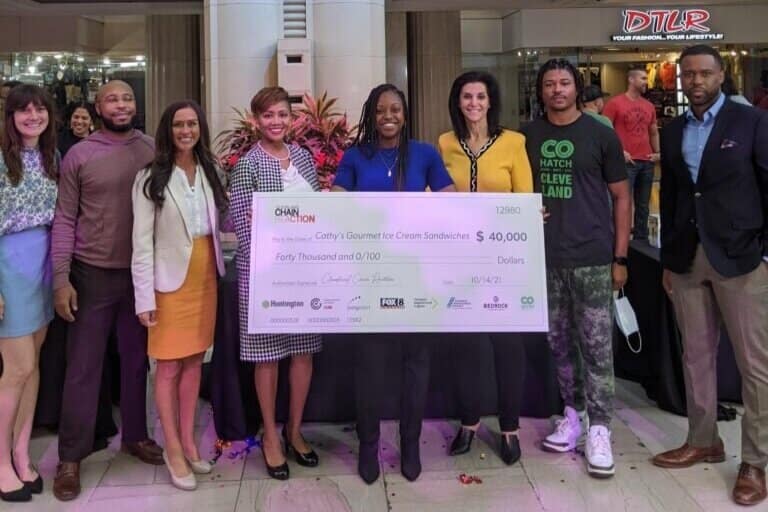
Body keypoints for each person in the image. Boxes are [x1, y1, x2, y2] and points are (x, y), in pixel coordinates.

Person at [651, 44, 768, 507]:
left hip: (741, 259)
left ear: (721, 76)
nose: (696, 81)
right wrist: (668, 260)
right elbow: (674, 195)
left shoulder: (751, 122)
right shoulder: (673, 129)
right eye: (689, 75)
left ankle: (755, 462)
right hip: (687, 257)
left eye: (704, 73)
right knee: (695, 357)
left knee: (754, 365)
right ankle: (703, 440)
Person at [332, 83, 456, 484]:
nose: (388, 116)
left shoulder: (424, 153)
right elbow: (336, 202)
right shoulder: (355, 156)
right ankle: (369, 445)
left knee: (416, 365)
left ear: (405, 114)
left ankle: (411, 443)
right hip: (368, 276)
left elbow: (452, 200)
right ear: (371, 114)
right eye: (381, 110)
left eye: (396, 109)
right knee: (369, 367)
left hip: (417, 276)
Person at [51, 80, 162, 501]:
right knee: (83, 368)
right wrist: (61, 279)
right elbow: (64, 219)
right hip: (91, 274)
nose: (121, 104)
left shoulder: (151, 149)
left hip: (139, 275)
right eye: (112, 99)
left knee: (136, 362)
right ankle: (70, 456)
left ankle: (135, 435)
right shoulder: (80, 155)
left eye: (127, 98)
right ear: (98, 107)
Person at [522, 58, 631, 478]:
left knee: (597, 348)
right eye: (549, 84)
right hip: (546, 259)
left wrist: (620, 258)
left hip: (592, 258)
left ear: (577, 88)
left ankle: (600, 429)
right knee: (560, 346)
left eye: (564, 83)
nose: (557, 90)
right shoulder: (527, 136)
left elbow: (622, 197)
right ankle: (574, 416)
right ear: (541, 91)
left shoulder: (600, 135)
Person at [437, 70, 533, 465]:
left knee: (508, 345)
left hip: (503, 260)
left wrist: (530, 217)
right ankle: (470, 421)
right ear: (457, 103)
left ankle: (509, 427)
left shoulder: (513, 142)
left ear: (491, 100)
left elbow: (525, 198)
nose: (474, 103)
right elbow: (435, 196)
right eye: (467, 97)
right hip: (459, 260)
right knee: (467, 346)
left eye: (480, 96)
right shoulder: (445, 143)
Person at [132, 101, 227, 490]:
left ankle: (188, 441)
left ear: (200, 128)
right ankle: (172, 448)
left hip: (205, 277)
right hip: (168, 283)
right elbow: (141, 242)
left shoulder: (210, 169)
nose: (186, 131)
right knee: (168, 367)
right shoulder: (149, 177)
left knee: (194, 362)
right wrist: (144, 298)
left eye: (192, 124)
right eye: (178, 125)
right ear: (167, 130)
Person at [229, 87, 322, 481]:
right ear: (256, 120)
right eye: (268, 115)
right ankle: (270, 434)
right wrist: (273, 237)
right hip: (263, 274)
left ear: (292, 118)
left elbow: (317, 213)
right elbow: (243, 225)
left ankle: (294, 430)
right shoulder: (248, 165)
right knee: (267, 356)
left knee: (303, 353)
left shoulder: (303, 158)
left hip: (305, 273)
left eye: (282, 114)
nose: (276, 122)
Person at [0, 84, 57, 503]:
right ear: (11, 116)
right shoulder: (2, 159)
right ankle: (1, 459)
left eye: (40, 109)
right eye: (24, 110)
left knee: (33, 366)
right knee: (15, 370)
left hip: (44, 266)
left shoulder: (53, 157)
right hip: (9, 266)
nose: (33, 116)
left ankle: (21, 451)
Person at [602, 67, 660, 241]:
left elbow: (653, 131)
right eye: (643, 78)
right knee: (623, 203)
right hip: (626, 162)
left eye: (646, 78)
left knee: (643, 204)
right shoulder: (615, 104)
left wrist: (658, 153)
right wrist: (619, 152)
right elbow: (604, 130)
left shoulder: (649, 106)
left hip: (647, 160)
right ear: (631, 80)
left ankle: (641, 240)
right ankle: (621, 239)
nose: (646, 82)